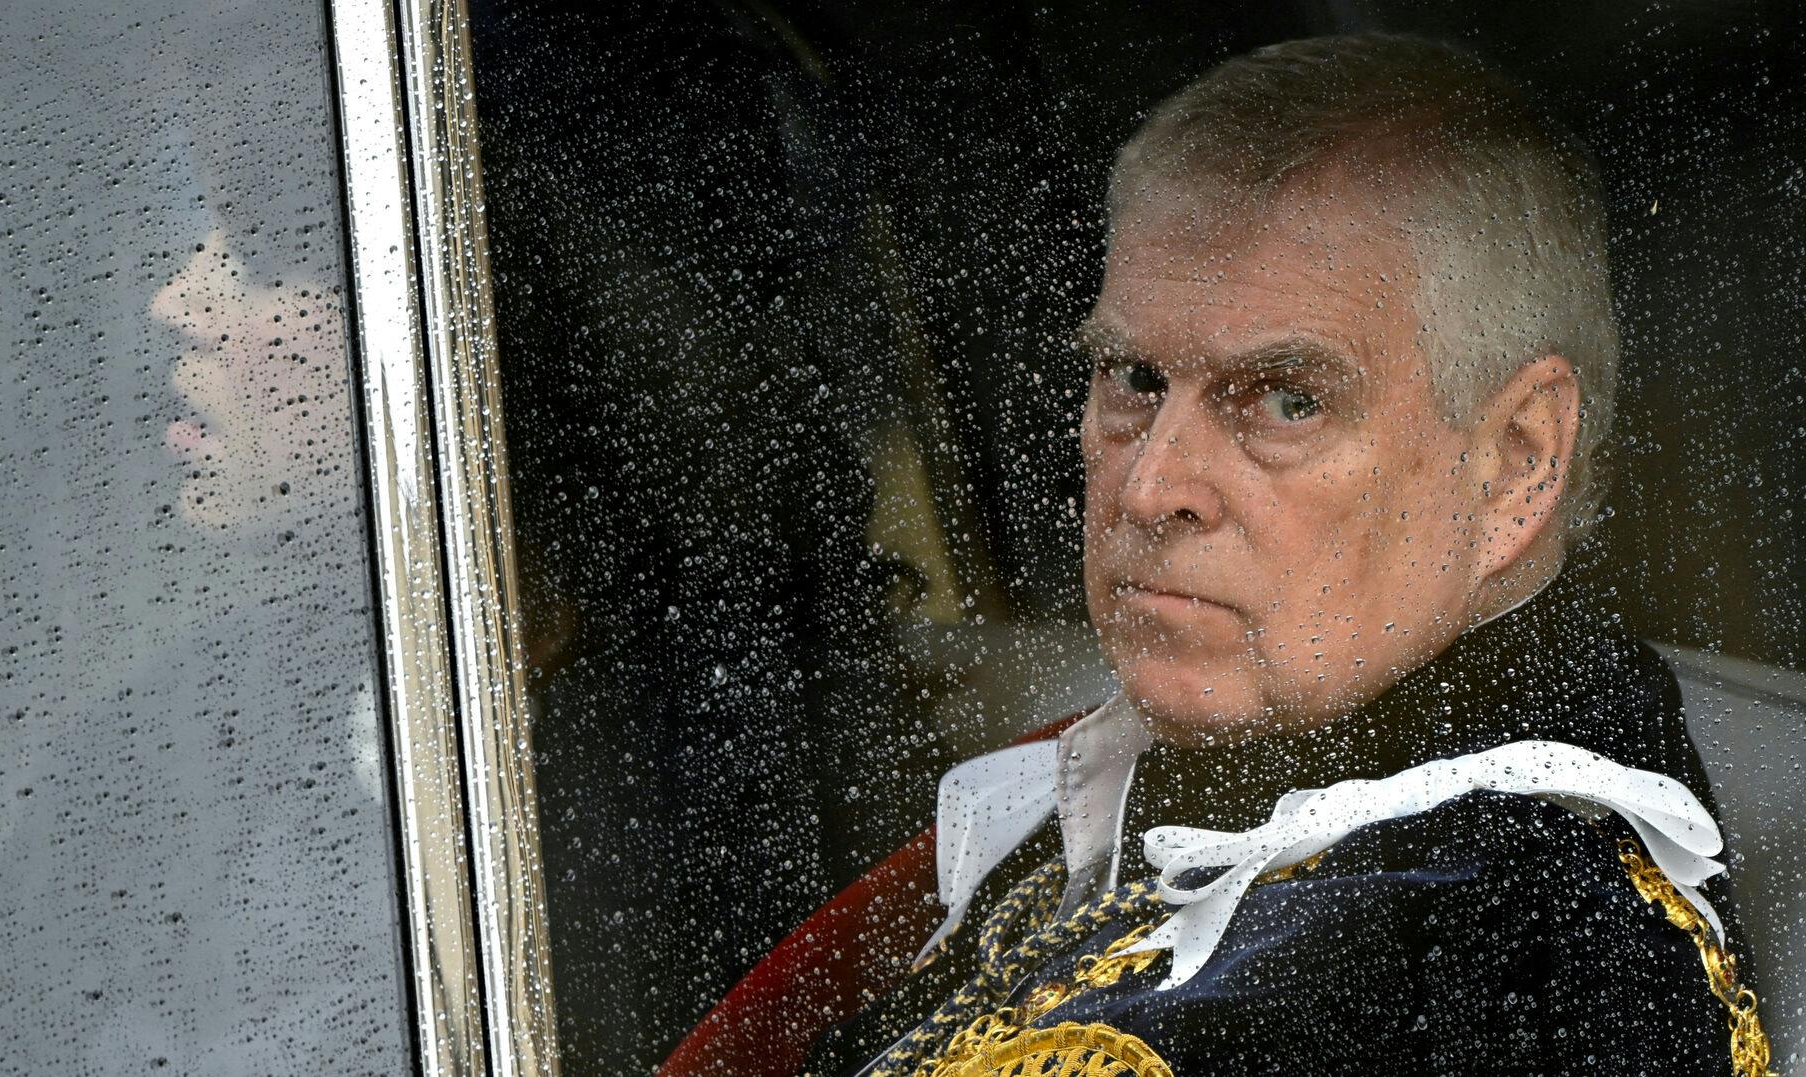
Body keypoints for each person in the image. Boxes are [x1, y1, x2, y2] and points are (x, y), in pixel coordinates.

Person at [663, 33, 1773, 1077]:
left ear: (1516, 461)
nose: (1150, 487)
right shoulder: (1201, 785)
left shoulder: (1518, 957)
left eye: (1287, 402)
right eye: (1133, 381)